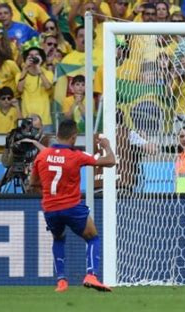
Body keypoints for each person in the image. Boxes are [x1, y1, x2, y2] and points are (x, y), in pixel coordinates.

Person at [28, 119, 115, 292]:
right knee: (92, 237)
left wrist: (49, 195)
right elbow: (111, 161)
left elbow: (33, 184)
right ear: (74, 138)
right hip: (71, 207)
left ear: (57, 135)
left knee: (58, 239)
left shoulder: (42, 156)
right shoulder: (76, 156)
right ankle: (91, 275)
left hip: (50, 209)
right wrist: (106, 145)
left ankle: (61, 281)